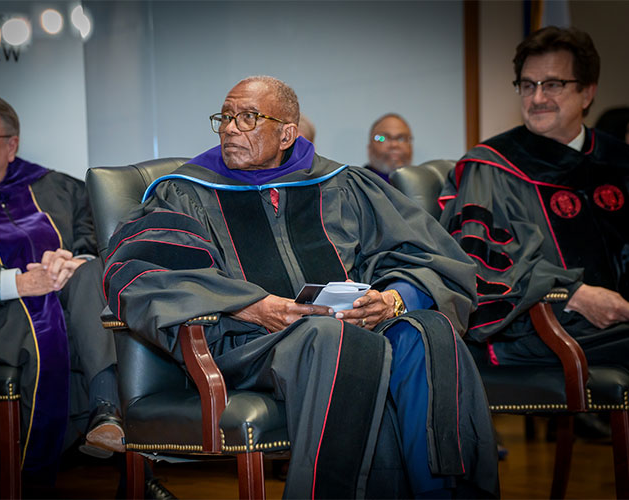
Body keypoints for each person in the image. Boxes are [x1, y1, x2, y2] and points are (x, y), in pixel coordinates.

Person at [104, 75, 499, 498]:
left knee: (425, 334)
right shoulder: (184, 192)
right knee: (335, 339)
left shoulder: (342, 185)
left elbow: (435, 257)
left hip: (342, 330)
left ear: (287, 133)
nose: (230, 128)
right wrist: (254, 306)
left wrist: (391, 300)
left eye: (248, 118)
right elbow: (139, 271)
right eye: (225, 117)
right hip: (244, 343)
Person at [0, 95, 123, 484]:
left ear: (11, 144)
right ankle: (39, 478)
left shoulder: (52, 186)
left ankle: (109, 416)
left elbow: (91, 237)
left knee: (93, 277)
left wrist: (75, 260)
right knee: (48, 327)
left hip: (64, 305)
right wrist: (14, 283)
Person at [439, 27, 629, 388]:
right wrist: (575, 293)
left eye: (553, 84)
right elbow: (476, 263)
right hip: (537, 324)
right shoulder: (493, 166)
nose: (537, 97)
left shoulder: (617, 160)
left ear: (587, 92)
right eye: (528, 85)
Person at [364, 113, 414, 182]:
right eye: (383, 138)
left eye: (402, 139)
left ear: (411, 147)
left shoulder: (424, 187)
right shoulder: (354, 186)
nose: (394, 145)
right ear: (369, 148)